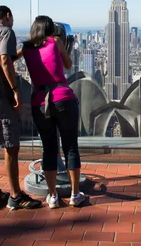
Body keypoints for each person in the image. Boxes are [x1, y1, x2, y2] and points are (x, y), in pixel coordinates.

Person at [0, 5, 42, 211]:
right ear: (6, 16)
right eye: (12, 18)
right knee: (11, 146)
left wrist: (25, 49)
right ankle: (15, 196)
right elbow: (4, 60)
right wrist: (15, 89)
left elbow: (4, 57)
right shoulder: (6, 32)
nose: (13, 22)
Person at [22, 15, 87, 208]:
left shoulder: (26, 48)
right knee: (70, 148)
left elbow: (12, 55)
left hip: (39, 102)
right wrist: (61, 46)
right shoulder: (56, 41)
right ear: (51, 30)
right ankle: (75, 195)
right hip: (63, 98)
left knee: (48, 149)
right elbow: (67, 65)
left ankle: (52, 196)